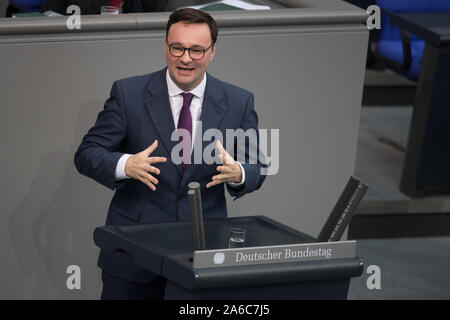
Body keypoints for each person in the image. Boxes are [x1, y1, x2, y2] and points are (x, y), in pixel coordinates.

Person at [74, 8, 266, 300]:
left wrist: (240, 173)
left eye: (197, 50)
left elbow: (257, 166)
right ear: (165, 46)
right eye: (177, 47)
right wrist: (125, 164)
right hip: (133, 258)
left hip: (203, 257)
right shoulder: (129, 94)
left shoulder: (239, 102)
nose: (185, 58)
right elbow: (87, 153)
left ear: (212, 52)